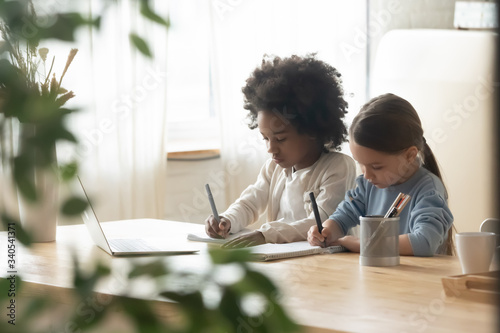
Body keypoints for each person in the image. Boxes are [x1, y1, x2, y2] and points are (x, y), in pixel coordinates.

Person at [205, 54, 356, 247]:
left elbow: (320, 223)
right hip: (285, 261)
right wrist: (227, 220)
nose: (270, 148)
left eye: (280, 139)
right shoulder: (273, 168)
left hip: (328, 261)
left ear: (311, 129)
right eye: (265, 138)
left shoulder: (338, 167)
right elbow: (249, 203)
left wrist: (265, 234)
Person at [307, 93, 455, 256]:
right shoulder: (367, 185)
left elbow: (424, 242)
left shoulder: (428, 190)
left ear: (409, 155)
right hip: (380, 277)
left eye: (376, 166)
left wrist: (362, 244)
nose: (367, 175)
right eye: (361, 164)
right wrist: (326, 231)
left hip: (418, 279)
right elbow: (343, 216)